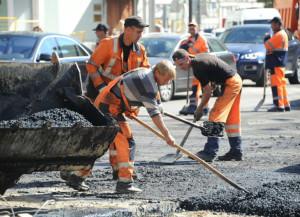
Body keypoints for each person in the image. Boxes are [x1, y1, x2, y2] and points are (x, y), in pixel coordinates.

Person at [61, 16, 150, 191]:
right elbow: (92, 66)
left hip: (117, 103)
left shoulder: (139, 51)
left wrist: (136, 104)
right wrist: (102, 88)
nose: (141, 35)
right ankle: (123, 179)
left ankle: (85, 173)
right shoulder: (108, 45)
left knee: (107, 138)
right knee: (121, 137)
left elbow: (142, 77)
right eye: (138, 31)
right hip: (99, 101)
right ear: (128, 29)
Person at [94, 60, 176, 193]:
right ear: (158, 72)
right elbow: (154, 115)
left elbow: (154, 98)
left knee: (122, 141)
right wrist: (167, 135)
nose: (167, 83)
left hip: (112, 107)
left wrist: (159, 105)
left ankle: (118, 172)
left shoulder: (148, 73)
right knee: (126, 142)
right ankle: (124, 183)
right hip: (107, 109)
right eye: (166, 79)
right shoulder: (146, 83)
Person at [172, 49, 243, 162]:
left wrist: (199, 109)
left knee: (215, 115)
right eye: (177, 65)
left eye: (181, 64)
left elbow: (207, 92)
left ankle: (210, 152)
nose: (180, 67)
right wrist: (215, 81)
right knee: (231, 119)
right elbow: (215, 69)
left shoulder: (198, 67)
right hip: (235, 80)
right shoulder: (199, 58)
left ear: (187, 58)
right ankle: (236, 151)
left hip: (231, 83)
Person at [179, 21, 209, 115]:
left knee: (204, 87)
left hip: (202, 65)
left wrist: (193, 47)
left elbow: (204, 51)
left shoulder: (201, 40)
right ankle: (193, 106)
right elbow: (184, 48)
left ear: (197, 28)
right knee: (195, 87)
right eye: (190, 28)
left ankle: (205, 107)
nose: (191, 29)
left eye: (193, 28)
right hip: (194, 65)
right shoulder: (189, 39)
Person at [264, 17, 290, 112]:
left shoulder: (279, 35)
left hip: (276, 63)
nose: (271, 26)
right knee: (282, 84)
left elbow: (267, 45)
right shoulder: (282, 34)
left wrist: (266, 37)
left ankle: (279, 105)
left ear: (278, 24)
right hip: (280, 63)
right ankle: (285, 104)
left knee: (276, 85)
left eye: (273, 24)